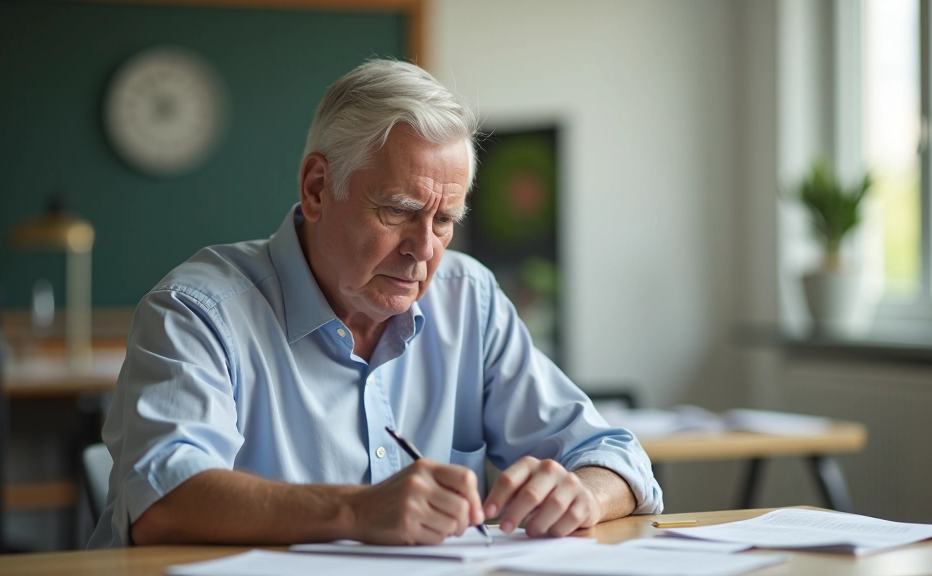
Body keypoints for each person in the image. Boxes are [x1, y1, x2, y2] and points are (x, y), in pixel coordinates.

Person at [88, 59, 662, 548]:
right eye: (397, 211)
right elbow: (163, 502)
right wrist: (357, 512)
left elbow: (615, 456)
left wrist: (580, 494)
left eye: (444, 221)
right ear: (317, 188)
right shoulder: (197, 309)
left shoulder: (470, 298)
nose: (423, 251)